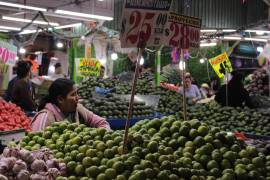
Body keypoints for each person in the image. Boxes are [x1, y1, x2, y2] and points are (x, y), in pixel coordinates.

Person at [31, 78, 111, 131]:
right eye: (73, 95)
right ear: (60, 99)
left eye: (77, 93)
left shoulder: (79, 110)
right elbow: (34, 147)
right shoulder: (45, 118)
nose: (77, 97)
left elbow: (102, 123)